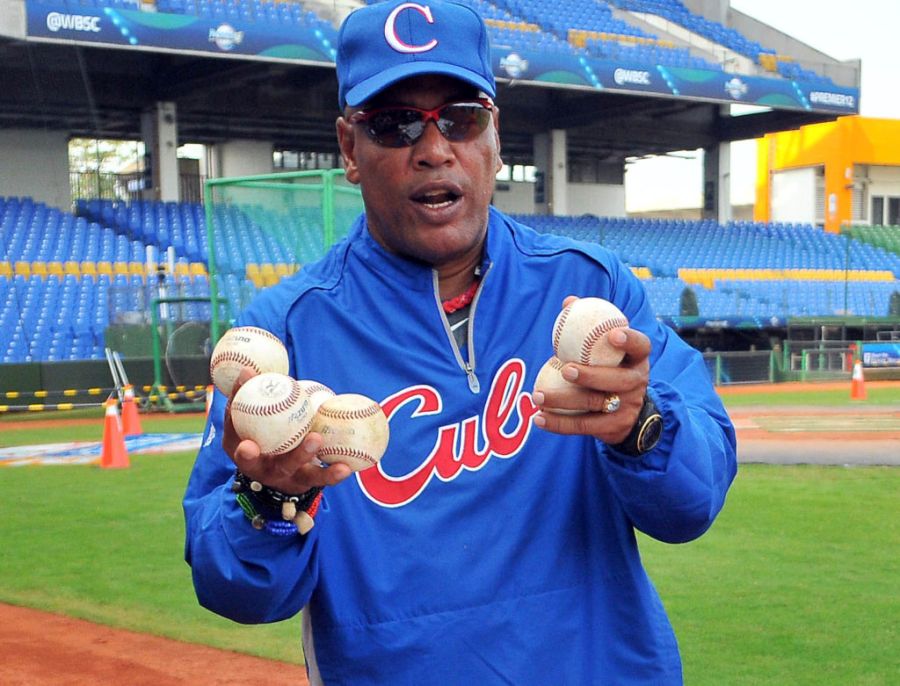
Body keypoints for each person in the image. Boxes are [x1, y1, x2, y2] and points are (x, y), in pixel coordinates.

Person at [183, 1, 738, 683]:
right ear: (350, 150)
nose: (435, 146)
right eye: (395, 123)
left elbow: (693, 505)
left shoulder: (592, 290)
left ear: (494, 137)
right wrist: (267, 502)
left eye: (461, 117)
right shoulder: (286, 333)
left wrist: (641, 427)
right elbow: (235, 588)